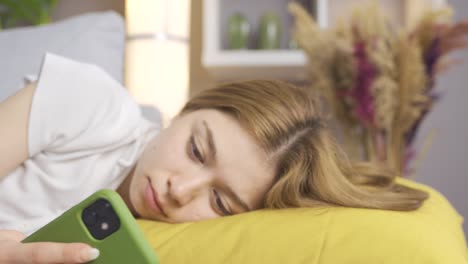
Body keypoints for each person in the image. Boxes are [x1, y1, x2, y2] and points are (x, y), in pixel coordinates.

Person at [0, 53, 428, 263]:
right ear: (189, 109)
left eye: (221, 202)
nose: (179, 190)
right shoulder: (90, 103)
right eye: (196, 149)